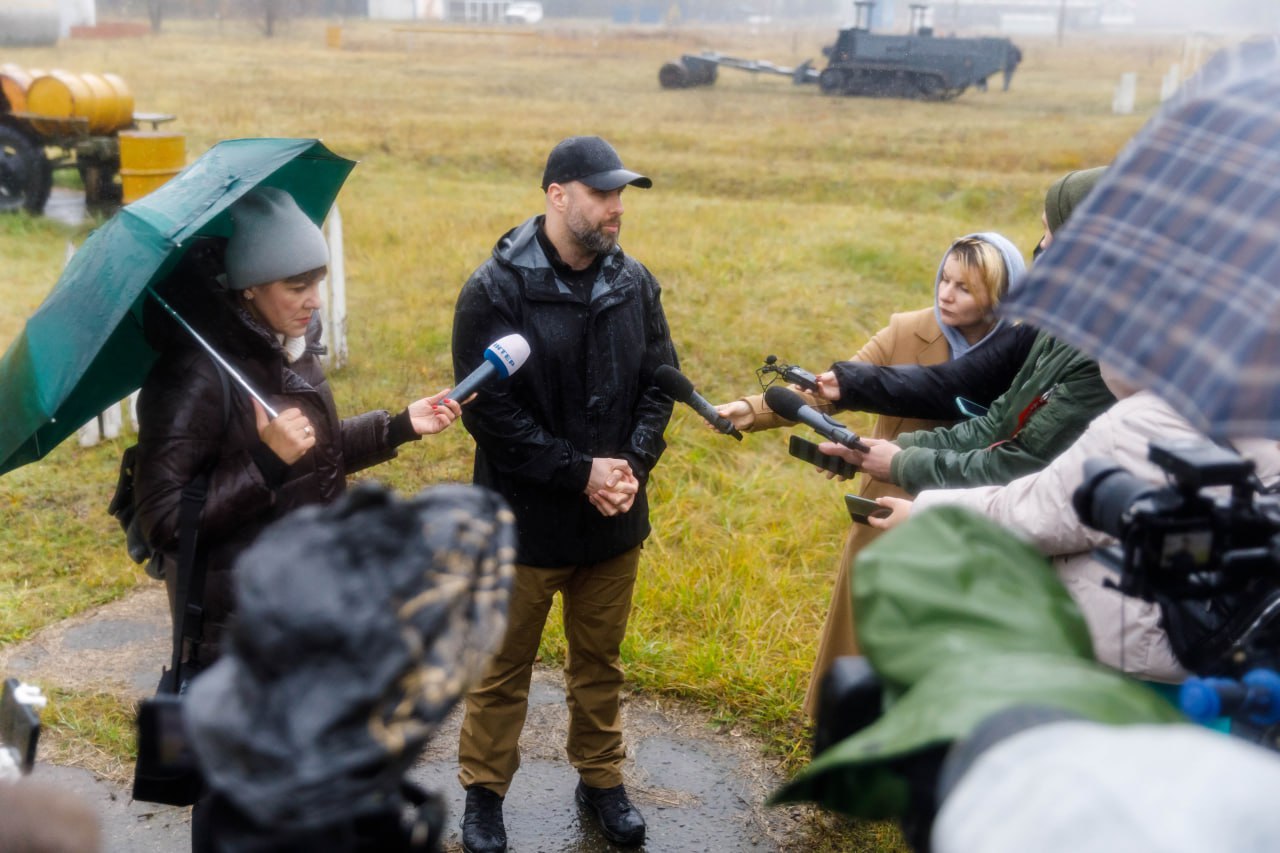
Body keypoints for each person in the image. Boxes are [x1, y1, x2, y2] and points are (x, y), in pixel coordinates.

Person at [451, 136, 678, 853]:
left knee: (600, 664)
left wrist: (630, 467)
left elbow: (659, 381)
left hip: (612, 526)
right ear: (557, 195)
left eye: (620, 195)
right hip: (521, 525)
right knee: (500, 666)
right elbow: (492, 415)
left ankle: (601, 779)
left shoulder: (634, 281)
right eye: (602, 194)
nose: (616, 208)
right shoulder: (495, 289)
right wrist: (581, 472)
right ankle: (484, 793)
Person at [134, 186, 462, 670]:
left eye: (318, 282)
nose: (314, 301)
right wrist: (264, 462)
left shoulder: (290, 347)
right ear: (250, 285)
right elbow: (163, 524)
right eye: (296, 286)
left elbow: (311, 455)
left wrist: (396, 428)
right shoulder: (194, 378)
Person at [714, 232, 1026, 717]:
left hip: (972, 510)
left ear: (1001, 293)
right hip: (889, 502)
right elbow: (828, 388)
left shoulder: (1026, 351)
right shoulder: (907, 330)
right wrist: (748, 411)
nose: (945, 293)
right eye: (943, 278)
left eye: (964, 287)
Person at [867, 366, 1280, 681]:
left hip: (1145, 650)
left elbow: (1032, 516)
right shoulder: (1250, 402)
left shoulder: (1143, 421)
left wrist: (924, 513)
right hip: (1239, 635)